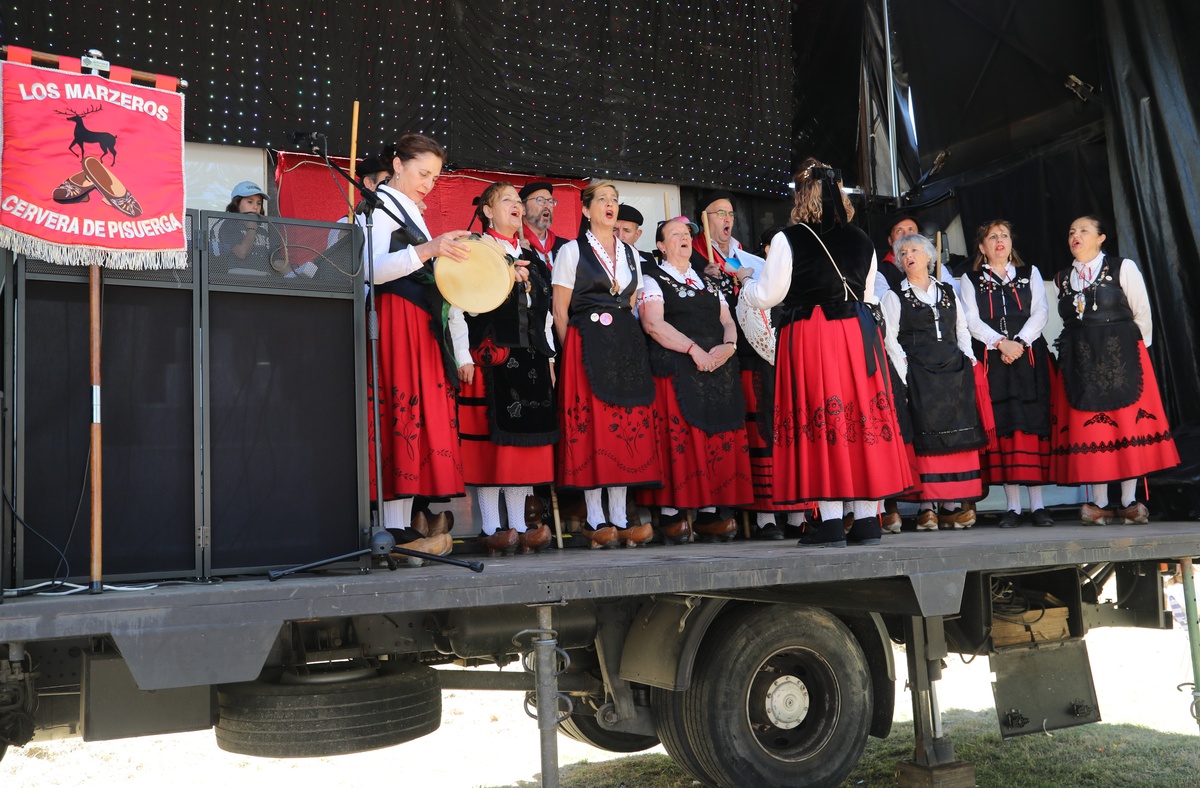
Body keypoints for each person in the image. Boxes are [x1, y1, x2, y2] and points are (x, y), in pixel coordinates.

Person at [738, 159, 912, 548]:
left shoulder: (789, 238)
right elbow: (868, 296)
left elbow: (769, 296)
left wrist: (748, 283)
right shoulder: (862, 240)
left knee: (821, 419)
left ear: (801, 197)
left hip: (813, 335)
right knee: (860, 421)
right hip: (856, 332)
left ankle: (831, 521)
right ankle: (868, 519)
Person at [365, 133, 475, 557]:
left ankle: (401, 527)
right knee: (401, 411)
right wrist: (428, 249)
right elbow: (371, 270)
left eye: (435, 176)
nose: (429, 182)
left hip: (419, 321)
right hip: (395, 318)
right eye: (422, 172)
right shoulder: (378, 206)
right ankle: (391, 530)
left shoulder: (409, 209)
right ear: (397, 164)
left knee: (415, 416)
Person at [551, 180, 661, 548]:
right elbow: (560, 310)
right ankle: (595, 519)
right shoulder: (571, 250)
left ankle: (620, 517)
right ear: (585, 210)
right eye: (602, 200)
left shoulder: (631, 254)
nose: (610, 205)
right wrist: (572, 355)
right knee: (593, 429)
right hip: (586, 342)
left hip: (624, 345)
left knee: (622, 428)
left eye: (615, 200)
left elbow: (630, 303)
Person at [1050, 215, 1179, 524]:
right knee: (1091, 429)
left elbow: (1142, 313)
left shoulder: (1123, 268)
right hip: (1081, 360)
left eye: (1083, 230)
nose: (1075, 236)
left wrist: (1136, 355)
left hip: (1122, 356)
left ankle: (1129, 501)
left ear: (1101, 237)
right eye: (1071, 231)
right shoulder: (1062, 278)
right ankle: (1097, 503)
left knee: (1125, 425)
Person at [692, 190, 801, 540]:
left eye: (730, 213)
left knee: (774, 426)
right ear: (704, 218)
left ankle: (792, 511)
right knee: (747, 435)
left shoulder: (748, 257)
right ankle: (760, 515)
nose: (727, 218)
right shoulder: (692, 260)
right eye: (719, 212)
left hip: (761, 354)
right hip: (721, 358)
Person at [636, 217, 754, 543]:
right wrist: (693, 350)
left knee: (714, 439)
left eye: (687, 234)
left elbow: (727, 320)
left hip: (717, 368)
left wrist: (729, 348)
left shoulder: (708, 282)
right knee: (683, 443)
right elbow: (653, 325)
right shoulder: (652, 279)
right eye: (675, 234)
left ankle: (709, 516)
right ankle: (673, 515)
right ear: (661, 246)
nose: (684, 238)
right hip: (677, 368)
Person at [458, 182, 555, 555]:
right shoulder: (475, 249)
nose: (516, 205)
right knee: (490, 449)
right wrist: (462, 356)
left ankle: (518, 526)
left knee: (521, 450)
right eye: (507, 200)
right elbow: (456, 305)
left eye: (518, 200)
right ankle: (490, 528)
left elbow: (542, 316)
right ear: (487, 211)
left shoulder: (530, 255)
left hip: (529, 358)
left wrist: (549, 358)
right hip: (491, 355)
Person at [881, 234, 986, 530]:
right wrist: (905, 373)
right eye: (902, 252)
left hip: (954, 371)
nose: (908, 255)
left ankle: (951, 507)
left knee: (955, 435)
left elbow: (961, 328)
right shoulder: (894, 296)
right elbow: (890, 338)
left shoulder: (948, 292)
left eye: (914, 250)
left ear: (929, 256)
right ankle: (927, 508)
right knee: (925, 436)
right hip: (918, 372)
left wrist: (969, 361)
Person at [960, 220, 1054, 528]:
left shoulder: (1030, 274)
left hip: (1027, 356)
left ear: (1011, 243)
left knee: (1030, 423)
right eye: (992, 237)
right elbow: (971, 319)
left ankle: (1038, 506)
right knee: (1004, 426)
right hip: (994, 358)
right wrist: (1000, 342)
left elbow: (1040, 311)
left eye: (1004, 236)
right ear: (982, 247)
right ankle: (1013, 508)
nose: (999, 240)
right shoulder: (970, 279)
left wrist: (1020, 342)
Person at [874, 215, 961, 301]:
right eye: (899, 231)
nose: (906, 235)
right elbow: (883, 302)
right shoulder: (880, 271)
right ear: (890, 240)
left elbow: (956, 293)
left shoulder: (936, 264)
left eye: (911, 230)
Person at [215, 181, 276, 273]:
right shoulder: (229, 224)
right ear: (236, 204)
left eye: (259, 203)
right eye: (250, 202)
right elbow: (241, 253)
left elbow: (275, 259)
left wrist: (295, 275)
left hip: (265, 278)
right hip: (239, 276)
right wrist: (252, 229)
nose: (255, 207)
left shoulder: (267, 227)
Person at [520, 181, 571, 270]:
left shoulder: (565, 246)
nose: (547, 205)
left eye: (550, 201)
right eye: (540, 200)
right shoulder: (515, 245)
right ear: (523, 208)